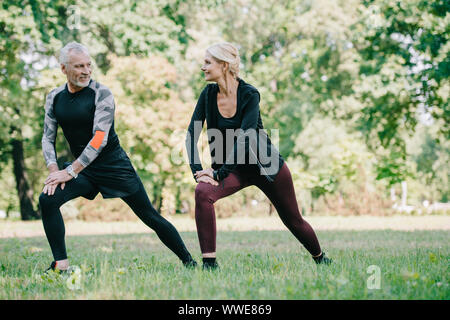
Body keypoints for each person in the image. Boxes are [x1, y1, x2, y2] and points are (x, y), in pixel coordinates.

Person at [40, 42, 196, 273]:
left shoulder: (101, 94)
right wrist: (54, 171)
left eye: (88, 65)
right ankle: (61, 265)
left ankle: (189, 262)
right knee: (48, 200)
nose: (86, 71)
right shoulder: (54, 97)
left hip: (114, 166)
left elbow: (99, 139)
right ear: (64, 69)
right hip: (85, 171)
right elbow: (47, 137)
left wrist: (70, 171)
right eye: (79, 66)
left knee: (149, 216)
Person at [186, 42, 332, 270]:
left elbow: (245, 137)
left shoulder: (249, 94)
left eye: (208, 62)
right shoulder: (208, 95)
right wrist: (199, 173)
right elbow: (191, 133)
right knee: (203, 192)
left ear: (224, 65)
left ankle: (320, 258)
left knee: (293, 220)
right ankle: (209, 265)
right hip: (233, 170)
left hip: (264, 166)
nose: (202, 67)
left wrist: (218, 172)